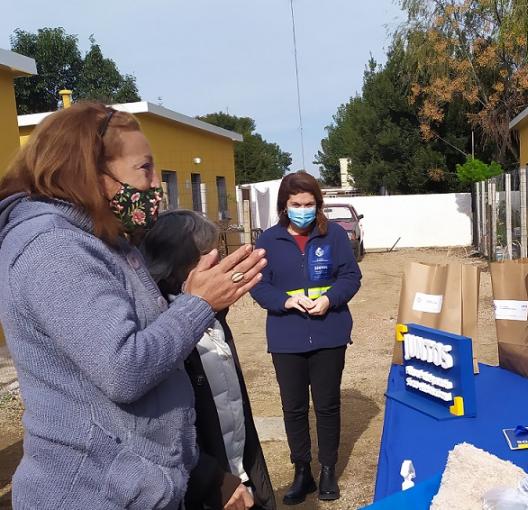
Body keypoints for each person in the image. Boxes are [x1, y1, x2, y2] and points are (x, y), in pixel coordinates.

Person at [0, 102, 266, 509]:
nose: (156, 184)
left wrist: (205, 477)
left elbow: (152, 386)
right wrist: (197, 304)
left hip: (134, 489)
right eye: (145, 169)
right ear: (88, 171)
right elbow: (124, 368)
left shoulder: (108, 242)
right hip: (89, 495)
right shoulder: (53, 249)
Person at [140, 210, 276, 510]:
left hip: (240, 465)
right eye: (208, 254)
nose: (219, 261)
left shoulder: (213, 316)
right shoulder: (158, 330)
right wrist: (211, 480)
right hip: (205, 489)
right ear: (179, 262)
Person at [249, 171, 362, 505]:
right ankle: (303, 472)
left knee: (327, 406)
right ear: (285, 205)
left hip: (330, 333)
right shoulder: (268, 240)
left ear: (318, 203)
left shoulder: (335, 236)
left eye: (309, 203)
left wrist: (330, 299)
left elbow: (351, 276)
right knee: (293, 407)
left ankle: (328, 469)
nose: (303, 209)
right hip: (287, 336)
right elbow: (258, 283)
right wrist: (285, 301)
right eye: (296, 203)